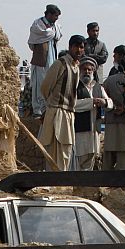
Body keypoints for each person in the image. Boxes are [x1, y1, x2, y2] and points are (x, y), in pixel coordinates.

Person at [37, 34, 82, 171]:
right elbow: (45, 87)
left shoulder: (76, 67)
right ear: (70, 47)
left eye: (81, 48)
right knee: (55, 149)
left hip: (69, 113)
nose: (79, 50)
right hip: (57, 111)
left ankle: (61, 180)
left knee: (66, 149)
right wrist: (50, 105)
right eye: (77, 47)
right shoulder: (60, 64)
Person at [73, 56, 111, 170]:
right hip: (80, 131)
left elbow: (110, 103)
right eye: (84, 69)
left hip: (95, 132)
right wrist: (91, 102)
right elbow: (72, 104)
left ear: (93, 71)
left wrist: (104, 102)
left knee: (91, 159)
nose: (87, 72)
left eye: (89, 69)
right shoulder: (75, 86)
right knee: (79, 159)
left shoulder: (98, 87)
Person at [101, 55, 125, 171]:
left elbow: (102, 97)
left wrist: (113, 107)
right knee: (124, 157)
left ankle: (105, 183)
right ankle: (120, 185)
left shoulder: (109, 80)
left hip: (111, 121)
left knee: (108, 156)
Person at [28, 4, 62, 118]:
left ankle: (47, 107)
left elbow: (57, 34)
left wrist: (51, 31)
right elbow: (44, 33)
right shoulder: (38, 24)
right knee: (39, 82)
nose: (56, 19)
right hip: (41, 59)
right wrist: (51, 32)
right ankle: (38, 109)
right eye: (55, 16)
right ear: (49, 14)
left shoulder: (55, 25)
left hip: (52, 55)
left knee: (51, 81)